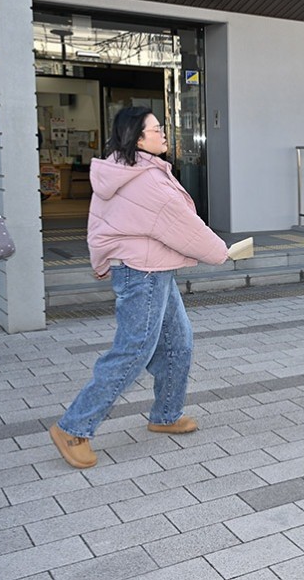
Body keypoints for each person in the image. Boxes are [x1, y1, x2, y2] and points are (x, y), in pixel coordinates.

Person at [50, 106, 229, 469]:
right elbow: (184, 226)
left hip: (151, 268)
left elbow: (100, 221)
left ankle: (166, 414)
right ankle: (73, 428)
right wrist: (221, 252)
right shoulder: (145, 179)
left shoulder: (121, 168)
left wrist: (102, 260)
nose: (164, 134)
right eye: (157, 129)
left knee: (178, 341)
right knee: (133, 351)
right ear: (138, 138)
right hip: (144, 272)